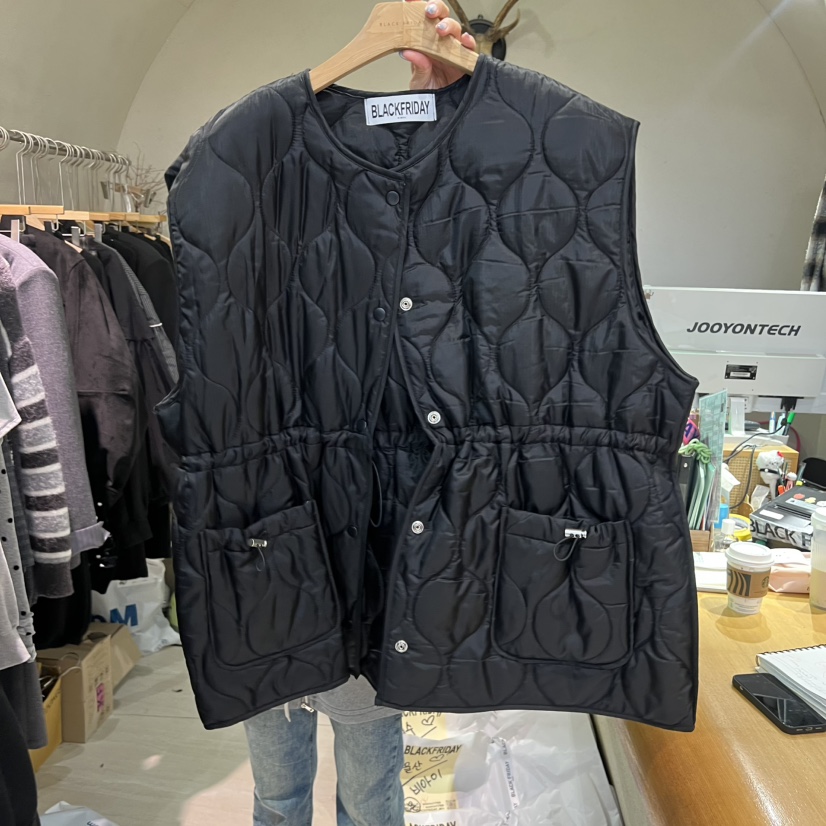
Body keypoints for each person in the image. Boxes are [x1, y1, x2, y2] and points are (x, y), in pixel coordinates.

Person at [242, 3, 476, 825]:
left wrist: (456, 99)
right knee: (279, 793)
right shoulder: (252, 168)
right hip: (268, 553)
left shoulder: (453, 208)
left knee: (371, 794)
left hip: (372, 567)